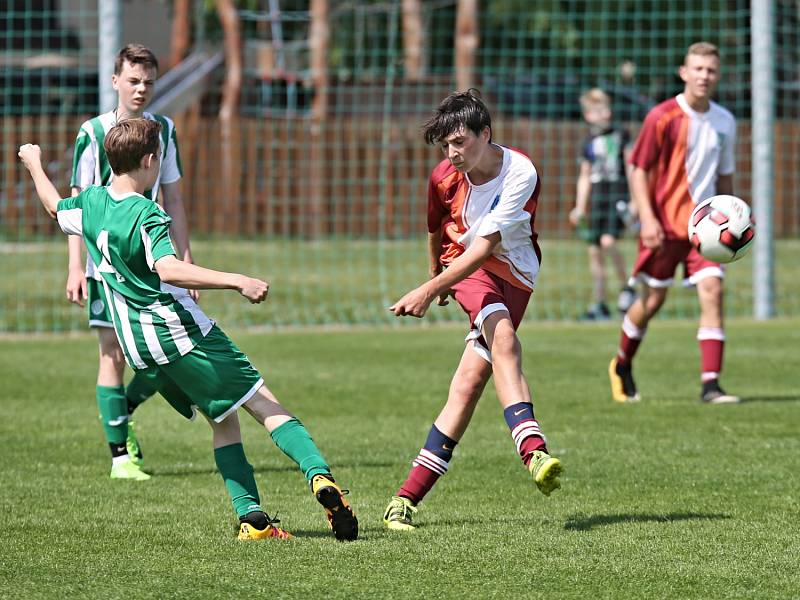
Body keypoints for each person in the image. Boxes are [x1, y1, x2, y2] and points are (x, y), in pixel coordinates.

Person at [18, 119, 358, 541]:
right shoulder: (147, 212)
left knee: (224, 420)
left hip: (140, 349)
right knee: (267, 406)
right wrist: (238, 280)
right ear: (149, 160)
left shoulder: (91, 201)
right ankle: (321, 478)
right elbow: (168, 267)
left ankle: (252, 521)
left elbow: (53, 207)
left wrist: (33, 161)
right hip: (179, 334)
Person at [382, 90, 563, 531]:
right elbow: (435, 230)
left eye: (460, 141)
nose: (453, 153)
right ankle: (533, 449)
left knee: (467, 384)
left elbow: (487, 247)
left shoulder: (520, 172)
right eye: (446, 144)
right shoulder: (443, 176)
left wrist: (427, 290)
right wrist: (436, 275)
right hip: (461, 264)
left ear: (487, 133)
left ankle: (405, 499)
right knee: (503, 337)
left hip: (514, 270)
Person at [67, 44, 193, 480]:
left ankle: (125, 409)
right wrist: (74, 268)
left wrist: (186, 259)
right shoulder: (94, 132)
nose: (141, 89)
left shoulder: (164, 130)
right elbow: (76, 205)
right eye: (133, 80)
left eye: (149, 82)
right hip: (103, 265)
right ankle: (121, 456)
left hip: (152, 261)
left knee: (168, 356)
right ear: (116, 80)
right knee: (112, 354)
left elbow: (173, 195)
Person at [608, 42, 739, 405]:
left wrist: (734, 222)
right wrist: (647, 219)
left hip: (706, 231)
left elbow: (724, 179)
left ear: (718, 75)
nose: (704, 76)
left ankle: (711, 385)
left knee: (713, 291)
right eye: (697, 69)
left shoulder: (725, 121)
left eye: (710, 70)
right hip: (663, 226)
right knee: (652, 301)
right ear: (684, 72)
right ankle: (622, 363)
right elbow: (638, 168)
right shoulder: (662, 117)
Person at [569, 88, 636, 320]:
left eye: (607, 107)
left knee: (608, 241)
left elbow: (631, 168)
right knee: (594, 250)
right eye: (599, 110)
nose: (606, 113)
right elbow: (585, 176)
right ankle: (600, 303)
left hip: (617, 194)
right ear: (588, 115)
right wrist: (579, 206)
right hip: (597, 196)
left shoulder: (622, 134)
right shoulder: (588, 141)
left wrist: (635, 200)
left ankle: (628, 288)